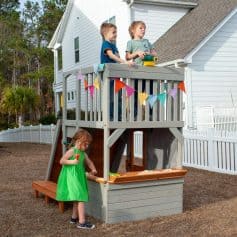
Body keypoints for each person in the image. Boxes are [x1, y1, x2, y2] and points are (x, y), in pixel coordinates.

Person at [56, 129, 97, 230]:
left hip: (79, 177)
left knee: (77, 198)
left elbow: (89, 162)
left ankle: (74, 218)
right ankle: (82, 222)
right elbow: (62, 161)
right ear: (78, 142)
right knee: (81, 197)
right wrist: (72, 162)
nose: (87, 146)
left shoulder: (83, 154)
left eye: (88, 144)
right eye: (85, 144)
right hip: (72, 177)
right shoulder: (72, 151)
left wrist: (93, 169)